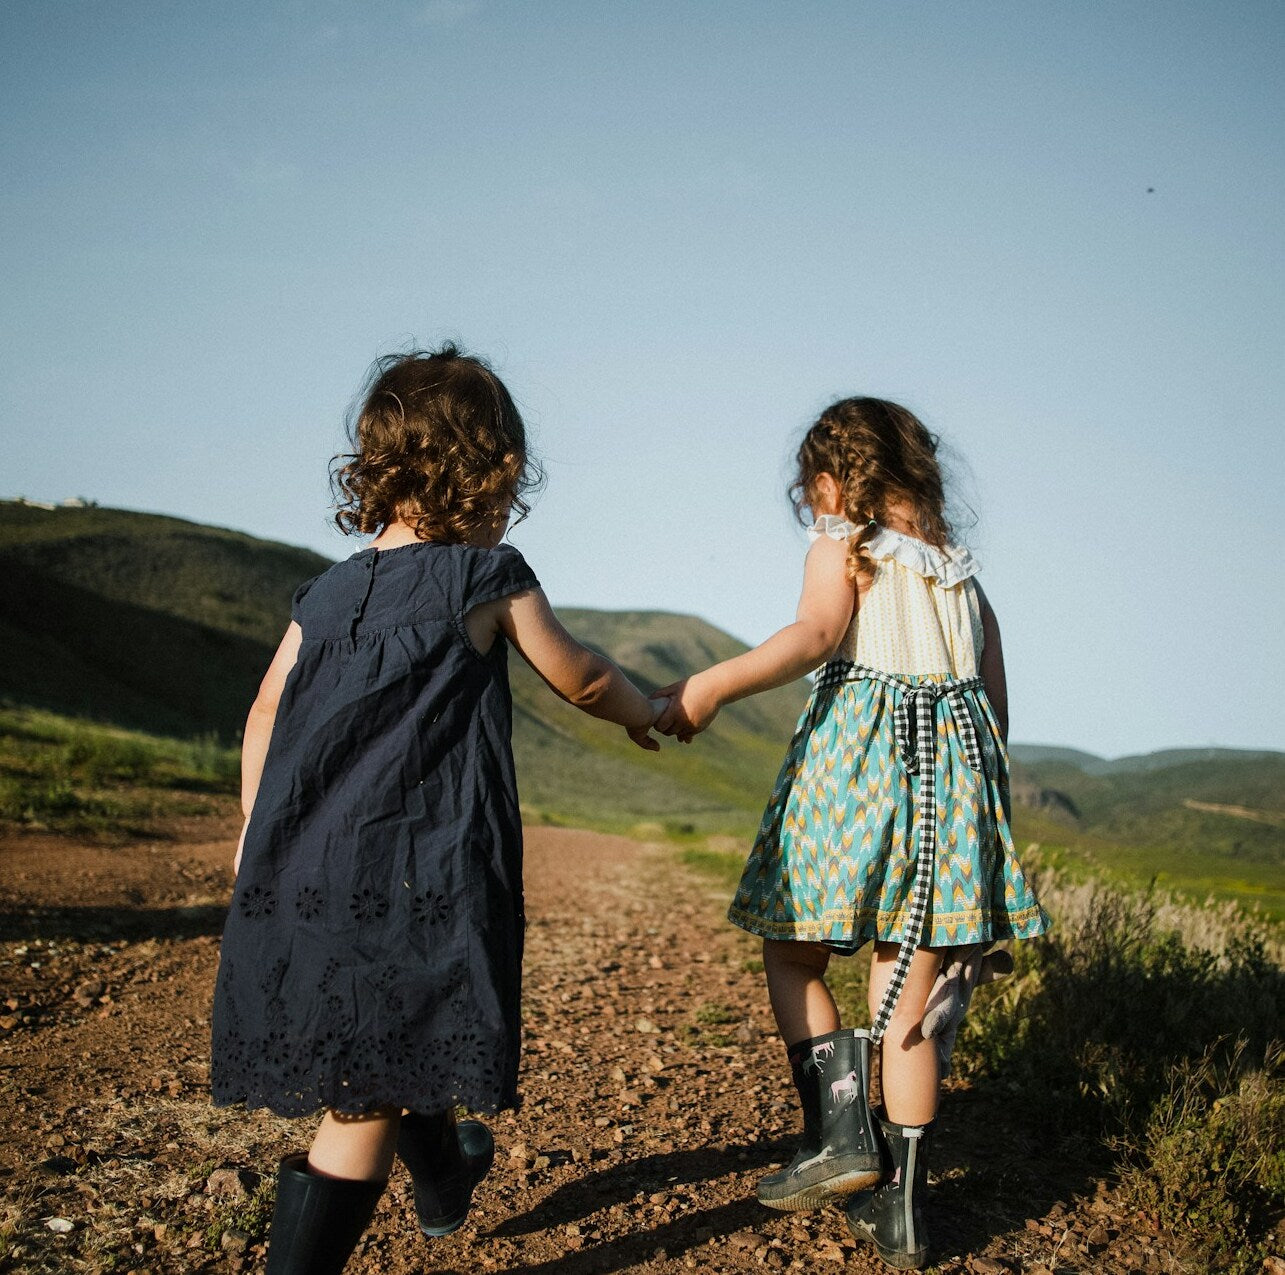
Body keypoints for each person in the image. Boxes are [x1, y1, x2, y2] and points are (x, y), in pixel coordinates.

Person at [210, 345, 662, 1275]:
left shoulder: (325, 592)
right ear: (487, 468)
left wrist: (263, 840)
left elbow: (262, 713)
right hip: (421, 865)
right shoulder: (485, 576)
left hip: (301, 863)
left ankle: (447, 1174)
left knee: (388, 1034)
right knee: (362, 1093)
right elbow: (577, 677)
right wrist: (649, 709)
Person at [654, 397, 1048, 1270]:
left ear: (835, 482)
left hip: (856, 776)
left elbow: (814, 634)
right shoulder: (961, 576)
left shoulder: (845, 546)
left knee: (792, 950)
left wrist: (708, 687)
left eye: (812, 491)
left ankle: (838, 1131)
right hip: (953, 795)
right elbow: (997, 711)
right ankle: (902, 1209)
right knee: (906, 1001)